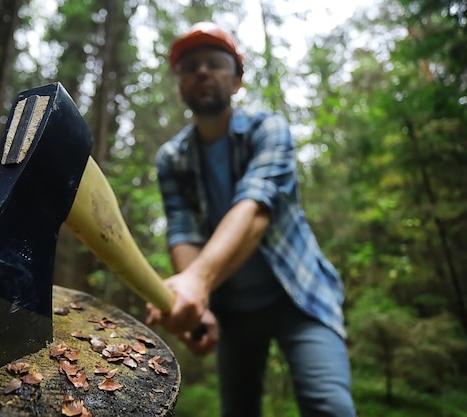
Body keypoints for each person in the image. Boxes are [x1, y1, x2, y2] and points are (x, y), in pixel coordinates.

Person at [145, 22, 357, 417]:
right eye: (190, 67)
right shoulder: (171, 159)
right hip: (234, 310)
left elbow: (257, 206)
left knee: (329, 407)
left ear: (237, 80)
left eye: (214, 63)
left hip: (300, 295)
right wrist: (201, 305)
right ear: (180, 87)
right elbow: (182, 229)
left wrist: (197, 281)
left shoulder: (269, 129)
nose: (202, 72)